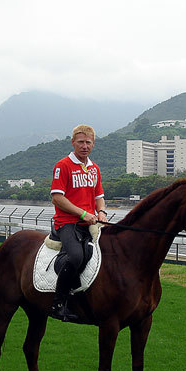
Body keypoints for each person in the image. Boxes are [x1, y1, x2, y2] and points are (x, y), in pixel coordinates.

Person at [49, 124, 107, 321]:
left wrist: (101, 212)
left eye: (88, 142)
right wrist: (83, 214)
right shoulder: (62, 165)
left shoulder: (94, 168)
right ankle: (58, 303)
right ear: (73, 142)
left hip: (90, 221)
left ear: (93, 144)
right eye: (80, 142)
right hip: (68, 222)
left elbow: (99, 196)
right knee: (75, 256)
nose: (84, 146)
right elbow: (57, 198)